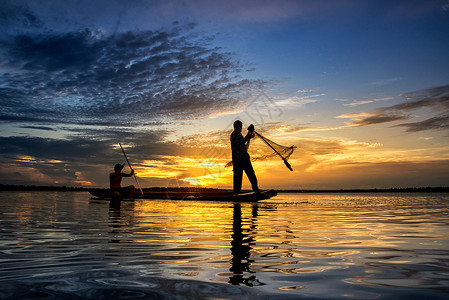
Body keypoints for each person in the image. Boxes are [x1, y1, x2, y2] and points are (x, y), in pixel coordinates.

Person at [230, 120, 260, 194]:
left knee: (251, 175)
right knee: (238, 178)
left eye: (241, 126)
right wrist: (248, 137)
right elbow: (238, 143)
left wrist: (249, 134)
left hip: (243, 159)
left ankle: (255, 189)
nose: (241, 127)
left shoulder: (239, 135)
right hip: (238, 161)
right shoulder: (234, 134)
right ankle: (237, 194)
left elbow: (243, 142)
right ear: (236, 126)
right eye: (240, 126)